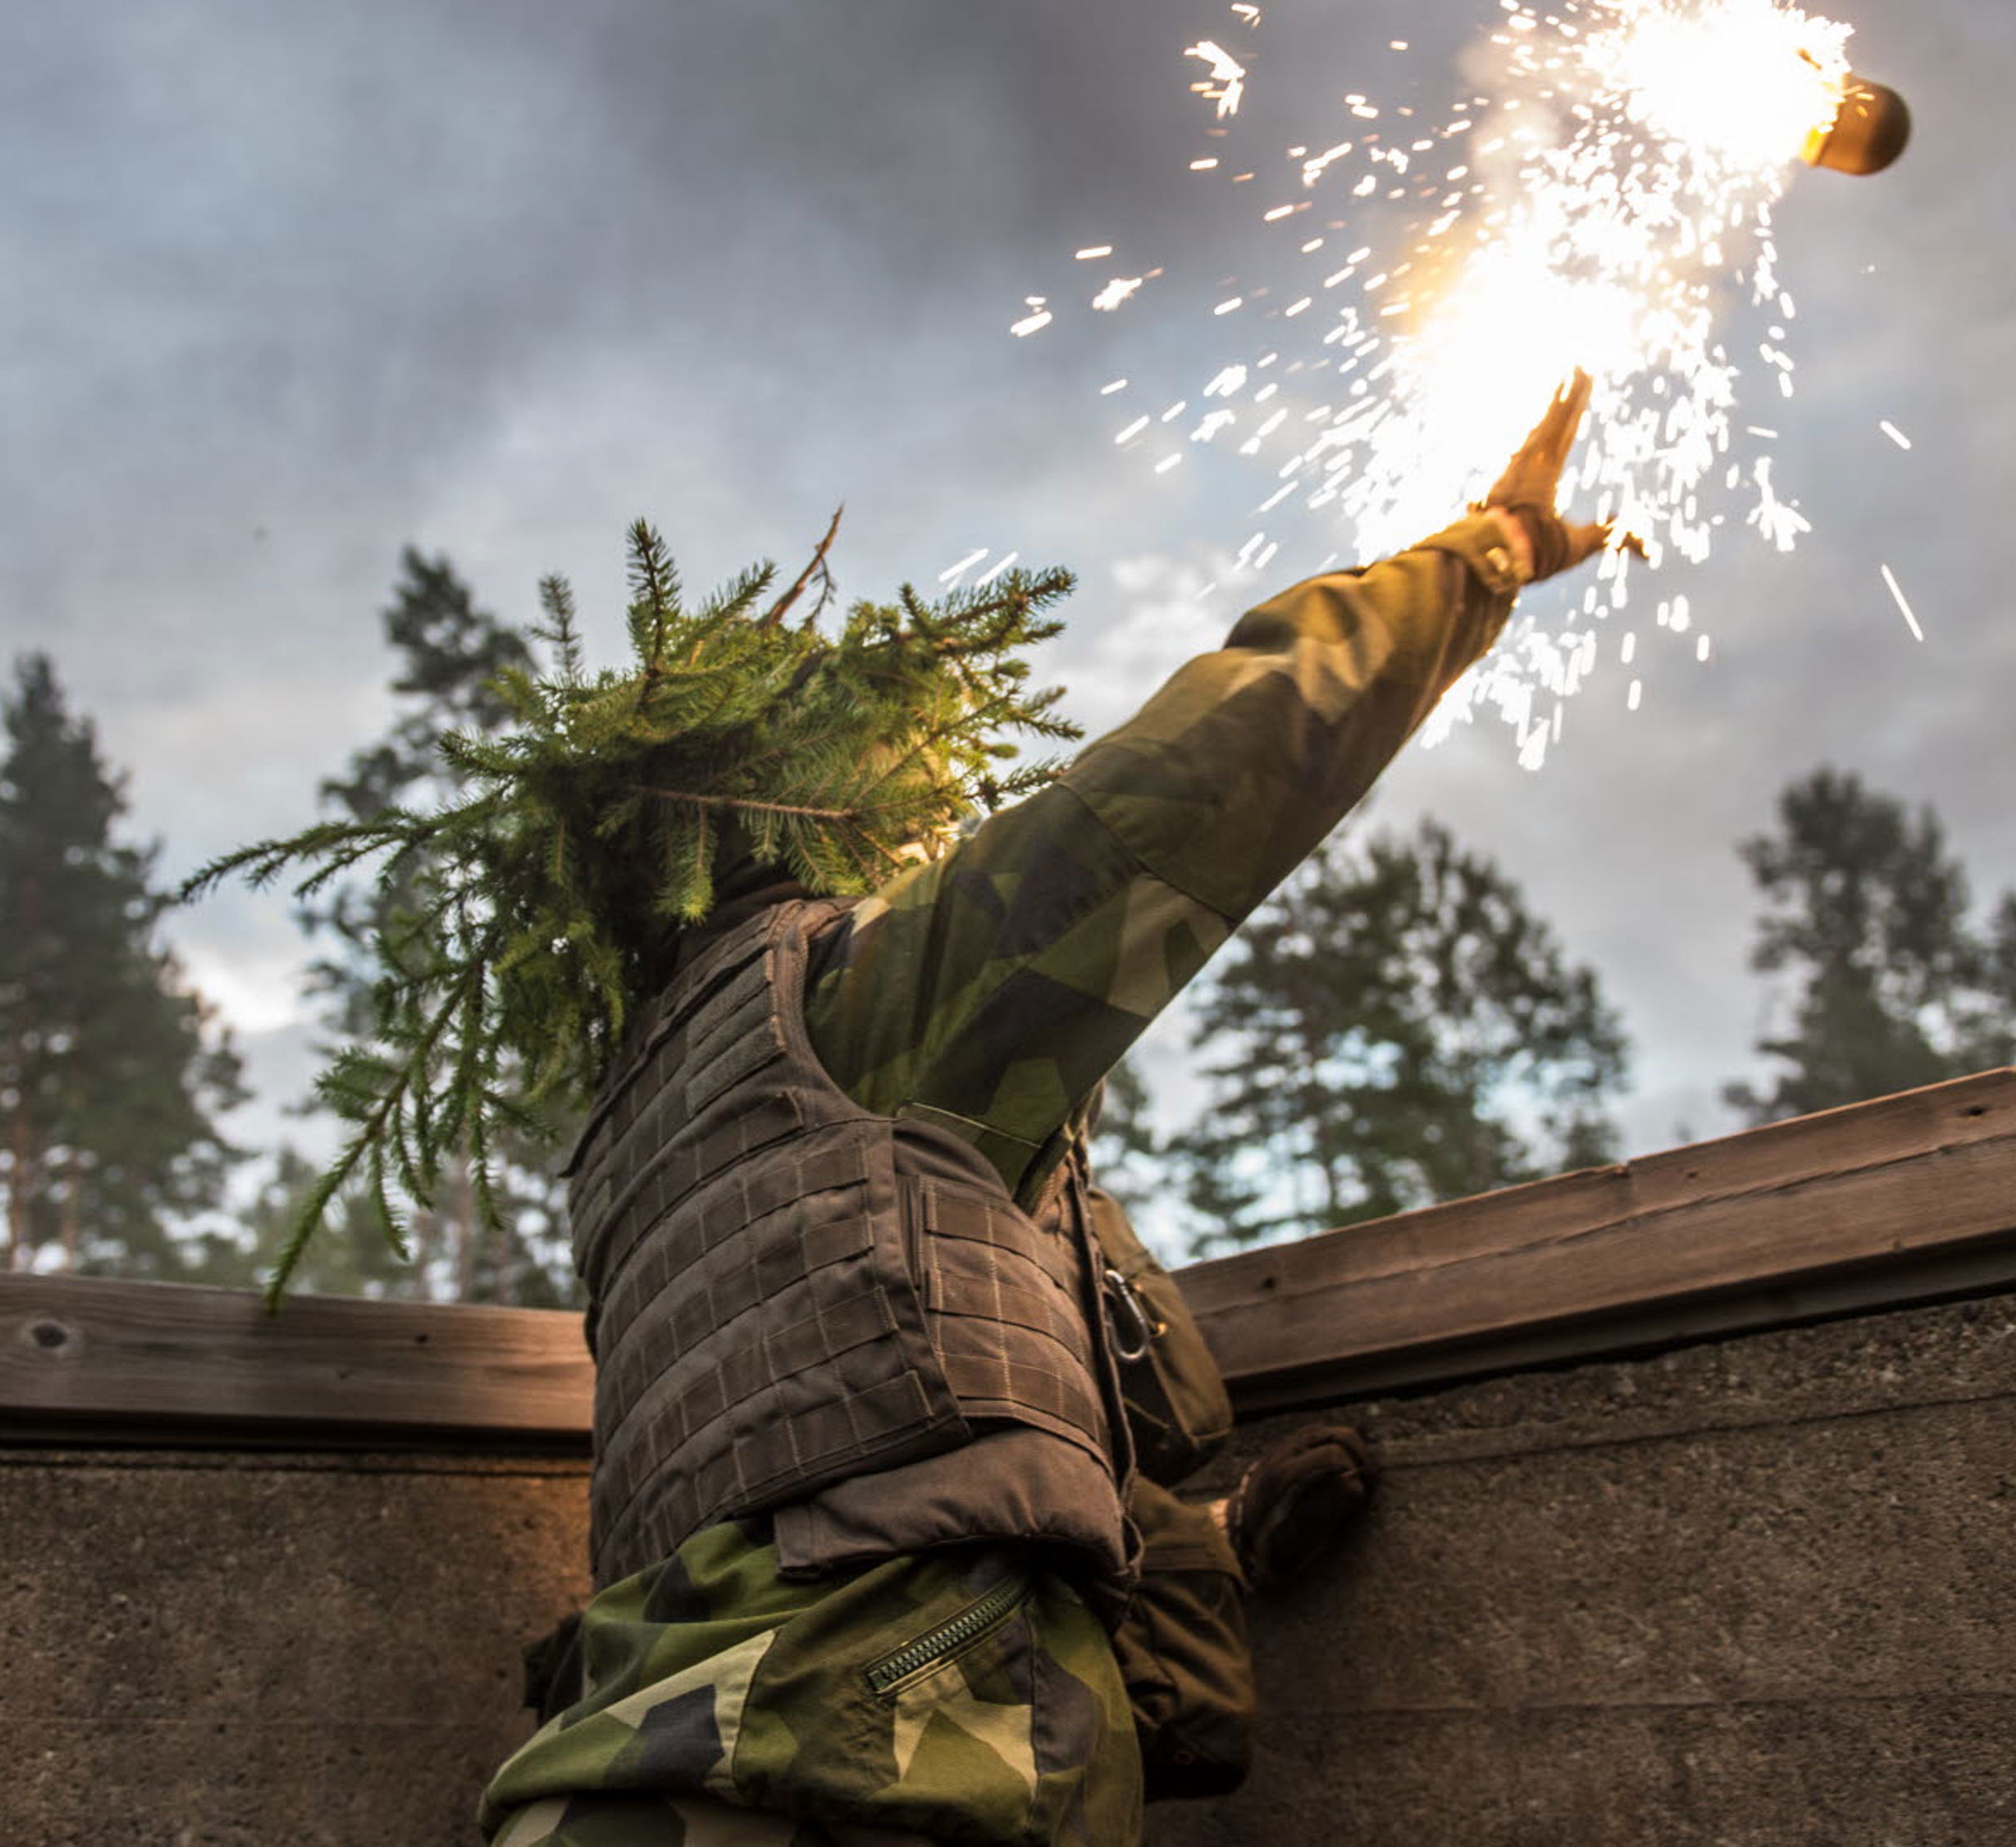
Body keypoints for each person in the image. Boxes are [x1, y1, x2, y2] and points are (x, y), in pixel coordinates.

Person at [240, 374, 1624, 1846]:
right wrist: (1487, 557)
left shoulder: (643, 1145)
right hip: (853, 1766)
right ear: (807, 800)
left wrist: (1200, 1547)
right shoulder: (860, 1001)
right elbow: (1207, 777)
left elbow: (882, 1419)